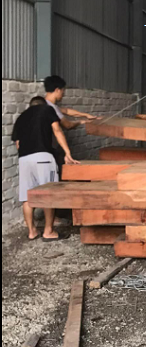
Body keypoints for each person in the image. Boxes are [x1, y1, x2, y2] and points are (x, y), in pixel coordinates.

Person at [11, 96, 80, 241]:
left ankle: (31, 231)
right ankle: (48, 231)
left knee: (27, 196)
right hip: (43, 157)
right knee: (48, 194)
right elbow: (57, 130)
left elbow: (18, 144)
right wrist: (67, 153)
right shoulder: (47, 110)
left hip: (24, 159)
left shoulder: (21, 117)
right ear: (42, 105)